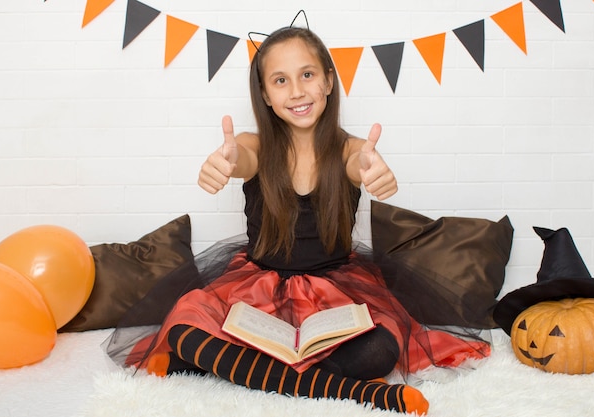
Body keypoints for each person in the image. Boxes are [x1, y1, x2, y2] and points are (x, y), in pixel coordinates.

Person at [105, 24, 491, 415]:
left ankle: (221, 368)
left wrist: (375, 170)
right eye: (280, 80)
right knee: (185, 329)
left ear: (327, 80)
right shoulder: (256, 145)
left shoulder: (348, 150)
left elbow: (360, 161)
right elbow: (242, 155)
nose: (296, 91)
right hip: (258, 289)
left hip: (336, 291)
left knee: (380, 349)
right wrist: (225, 161)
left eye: (307, 75)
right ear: (266, 96)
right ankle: (363, 394)